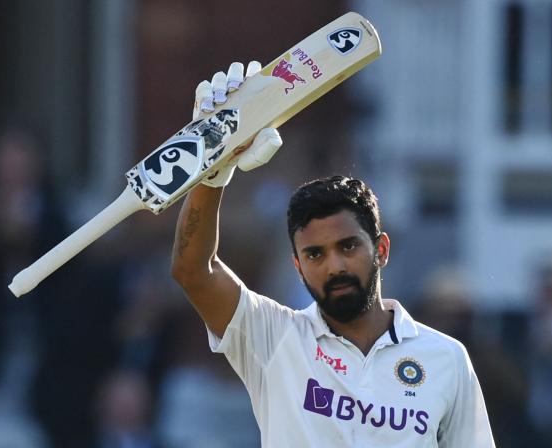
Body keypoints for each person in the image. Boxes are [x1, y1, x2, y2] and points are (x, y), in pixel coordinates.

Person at [170, 62, 495, 447]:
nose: (335, 266)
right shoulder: (275, 339)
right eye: (315, 255)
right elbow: (193, 269)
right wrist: (213, 165)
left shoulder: (445, 359)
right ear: (298, 265)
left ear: (382, 249)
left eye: (348, 246)